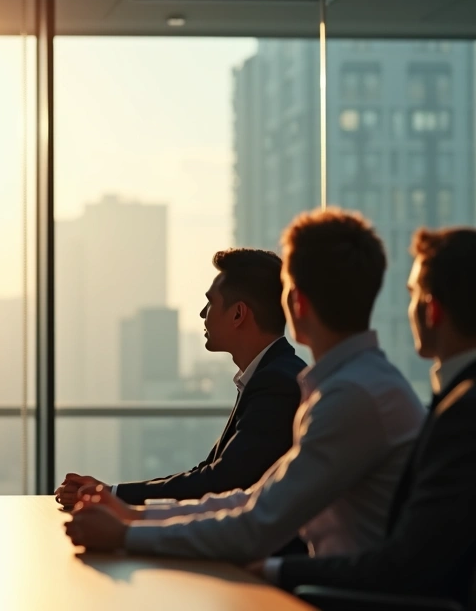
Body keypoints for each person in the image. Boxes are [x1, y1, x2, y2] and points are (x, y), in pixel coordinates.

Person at [65, 208, 425, 563]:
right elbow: (256, 499)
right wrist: (133, 515)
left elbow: (255, 521)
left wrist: (127, 532)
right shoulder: (360, 383)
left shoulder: (349, 396)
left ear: (296, 301)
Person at [256, 227, 476, 604]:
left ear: (432, 308)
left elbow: (407, 567)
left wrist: (272, 571)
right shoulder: (454, 401)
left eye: (412, 295)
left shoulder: (462, 413)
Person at [56, 248, 306, 506]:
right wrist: (111, 492)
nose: (202, 313)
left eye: (210, 302)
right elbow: (210, 473)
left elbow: (220, 482)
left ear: (238, 314)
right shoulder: (271, 374)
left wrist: (112, 495)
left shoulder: (275, 384)